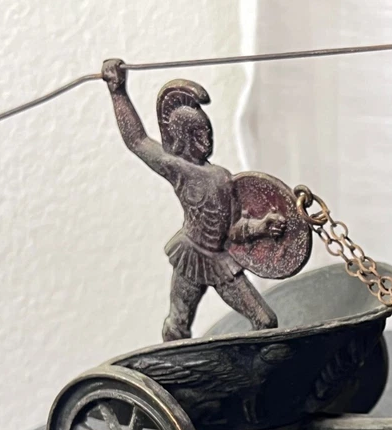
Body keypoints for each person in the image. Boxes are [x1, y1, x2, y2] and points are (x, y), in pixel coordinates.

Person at [101, 58, 283, 340]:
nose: (206, 141)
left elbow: (231, 230)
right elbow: (136, 140)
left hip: (219, 261)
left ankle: (250, 366)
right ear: (183, 138)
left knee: (265, 321)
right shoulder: (178, 169)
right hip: (189, 256)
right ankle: (172, 363)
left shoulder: (222, 179)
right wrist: (117, 92)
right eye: (197, 135)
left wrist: (262, 227)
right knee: (177, 326)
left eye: (207, 133)